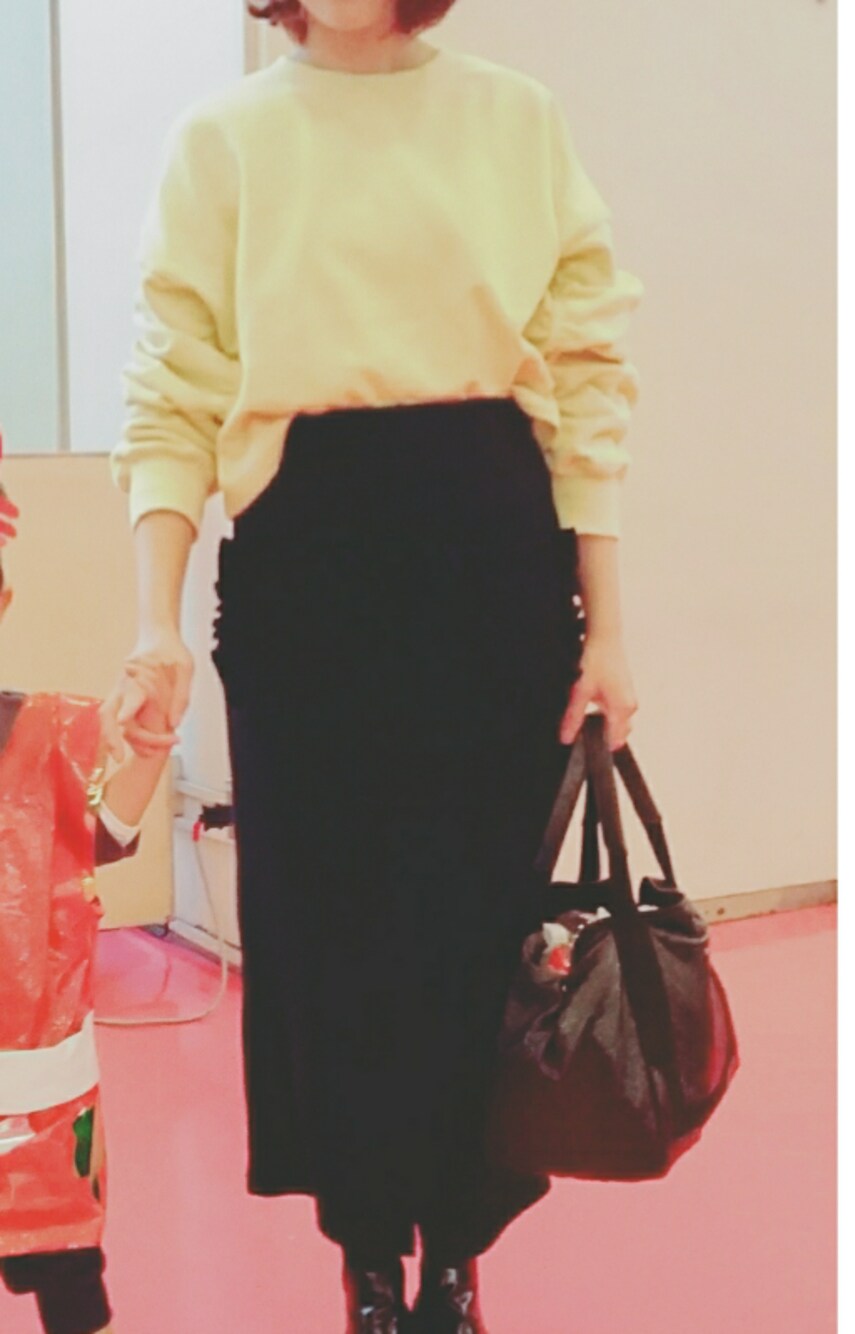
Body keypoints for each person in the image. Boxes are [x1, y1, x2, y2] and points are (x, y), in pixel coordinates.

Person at [104, 2, 641, 1329]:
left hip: (490, 554)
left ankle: (457, 1246)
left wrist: (611, 623)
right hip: (309, 566)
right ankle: (364, 1250)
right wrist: (153, 620)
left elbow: (585, 372)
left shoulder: (512, 119)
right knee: (325, 917)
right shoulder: (225, 139)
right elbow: (173, 387)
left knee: (481, 915)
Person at [0, 483, 176, 1334]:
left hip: (41, 1097)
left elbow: (104, 832)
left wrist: (149, 748)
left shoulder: (44, 733)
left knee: (68, 1280)